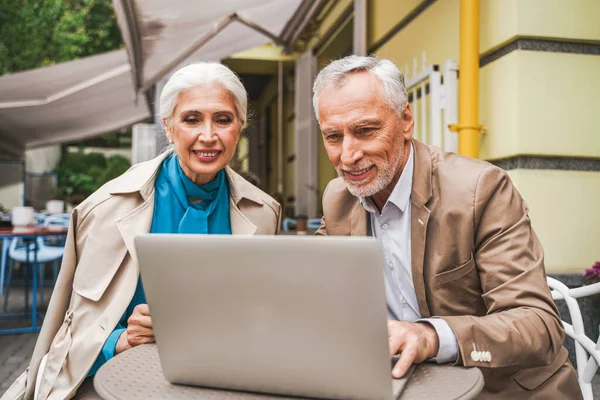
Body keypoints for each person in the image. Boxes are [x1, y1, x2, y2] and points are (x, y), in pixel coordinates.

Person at [2, 62, 281, 400]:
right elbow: (72, 326)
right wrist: (116, 340)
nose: (208, 135)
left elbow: (263, 316)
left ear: (239, 127)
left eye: (223, 119)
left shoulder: (265, 213)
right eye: (191, 119)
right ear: (169, 126)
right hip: (119, 375)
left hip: (220, 379)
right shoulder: (105, 209)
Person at [313, 55, 582, 398]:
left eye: (365, 130)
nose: (347, 155)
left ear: (406, 120)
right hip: (401, 385)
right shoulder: (338, 197)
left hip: (501, 390)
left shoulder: (481, 188)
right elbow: (321, 293)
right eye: (333, 136)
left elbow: (537, 325)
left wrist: (429, 336)